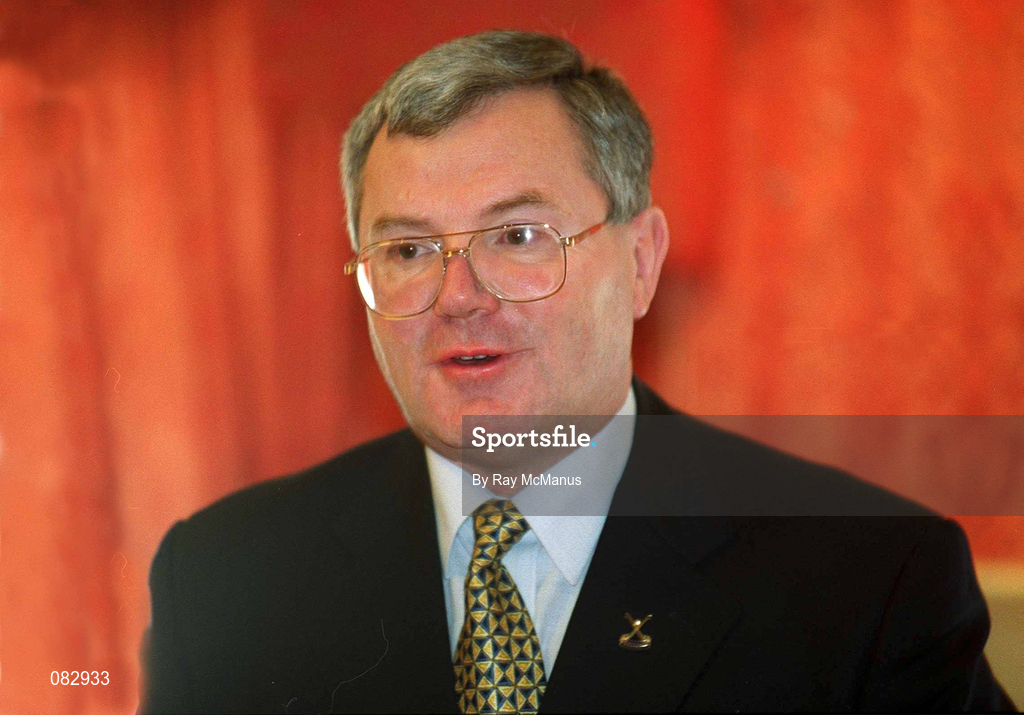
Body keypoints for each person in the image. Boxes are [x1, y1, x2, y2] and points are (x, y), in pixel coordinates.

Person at [140, 30, 1015, 714]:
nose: (457, 296)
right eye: (407, 249)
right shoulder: (224, 578)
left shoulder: (867, 579)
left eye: (518, 238)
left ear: (641, 261)